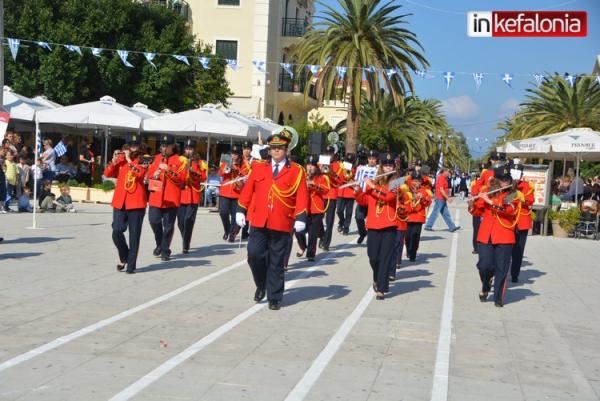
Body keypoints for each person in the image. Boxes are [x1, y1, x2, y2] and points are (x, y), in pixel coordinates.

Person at [235, 128, 308, 310]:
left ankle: (274, 296)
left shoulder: (297, 171)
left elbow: (301, 196)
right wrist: (240, 210)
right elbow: (248, 189)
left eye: (280, 147)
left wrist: (301, 217)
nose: (276, 150)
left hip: (282, 221)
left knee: (276, 261)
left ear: (287, 149)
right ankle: (261, 284)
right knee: (254, 255)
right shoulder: (259, 167)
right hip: (259, 220)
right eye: (273, 147)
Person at [475, 166, 521, 307]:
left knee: (502, 268)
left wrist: (490, 202)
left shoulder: (513, 194)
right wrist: (475, 201)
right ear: (496, 180)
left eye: (507, 179)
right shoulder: (487, 191)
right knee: (484, 266)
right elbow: (476, 211)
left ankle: (498, 298)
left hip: (504, 235)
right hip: (486, 234)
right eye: (502, 179)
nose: (505, 182)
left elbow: (508, 210)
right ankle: (486, 284)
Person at [354, 152, 398, 300]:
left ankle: (382, 288)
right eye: (385, 165)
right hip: (373, 224)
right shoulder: (375, 181)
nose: (387, 168)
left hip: (389, 224)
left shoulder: (397, 182)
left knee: (385, 257)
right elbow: (364, 201)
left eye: (390, 165)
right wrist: (358, 191)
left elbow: (388, 197)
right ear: (381, 166)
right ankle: (377, 277)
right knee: (373, 257)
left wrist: (372, 187)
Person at [103, 134, 147, 273]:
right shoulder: (121, 158)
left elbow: (139, 174)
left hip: (136, 202)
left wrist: (129, 160)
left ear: (140, 145)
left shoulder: (143, 159)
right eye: (130, 144)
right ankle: (125, 256)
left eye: (136, 144)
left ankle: (131, 265)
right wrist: (114, 161)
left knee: (134, 235)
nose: (133, 147)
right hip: (120, 201)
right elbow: (108, 174)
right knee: (116, 231)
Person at [147, 134, 187, 261]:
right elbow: (148, 177)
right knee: (153, 221)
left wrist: (168, 169)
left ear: (172, 146)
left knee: (168, 226)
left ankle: (165, 250)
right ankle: (160, 243)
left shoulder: (180, 160)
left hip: (171, 198)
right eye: (162, 146)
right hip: (156, 196)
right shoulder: (156, 158)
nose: (163, 148)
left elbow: (182, 179)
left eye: (166, 146)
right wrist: (154, 174)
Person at [295, 154, 328, 262]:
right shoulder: (301, 175)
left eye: (312, 165)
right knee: (299, 231)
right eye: (308, 165)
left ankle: (311, 253)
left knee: (313, 233)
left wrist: (315, 185)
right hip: (303, 208)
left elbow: (326, 190)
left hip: (316, 208)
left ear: (316, 167)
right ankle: (303, 245)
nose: (310, 167)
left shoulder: (322, 177)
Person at [177, 139, 207, 254]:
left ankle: (186, 244)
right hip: (181, 195)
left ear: (194, 150)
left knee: (188, 220)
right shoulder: (180, 160)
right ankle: (186, 238)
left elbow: (203, 177)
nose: (188, 151)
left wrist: (193, 172)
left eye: (190, 149)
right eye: (187, 149)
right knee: (180, 222)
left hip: (193, 195)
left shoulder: (199, 163)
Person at [219, 145, 250, 242]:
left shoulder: (244, 164)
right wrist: (227, 167)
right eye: (232, 153)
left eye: (236, 154)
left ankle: (232, 235)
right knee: (223, 213)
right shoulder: (226, 161)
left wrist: (236, 169)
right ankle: (227, 230)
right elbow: (220, 173)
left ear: (240, 155)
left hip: (237, 193)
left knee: (234, 215)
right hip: (225, 192)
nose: (233, 156)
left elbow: (245, 176)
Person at [510, 161, 534, 283]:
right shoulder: (505, 184)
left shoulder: (527, 186)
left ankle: (515, 273)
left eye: (517, 174)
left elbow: (531, 201)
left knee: (518, 250)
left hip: (522, 221)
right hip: (508, 220)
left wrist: (522, 198)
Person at [318, 146, 344, 251]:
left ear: (334, 154)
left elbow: (340, 182)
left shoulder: (338, 166)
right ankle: (322, 235)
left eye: (330, 154)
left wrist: (331, 173)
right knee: (317, 219)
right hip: (320, 194)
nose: (329, 156)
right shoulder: (319, 163)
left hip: (331, 195)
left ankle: (326, 243)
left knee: (329, 221)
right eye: (326, 153)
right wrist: (319, 170)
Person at [405, 171, 432, 262]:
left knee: (415, 236)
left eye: (418, 181)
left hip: (418, 217)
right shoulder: (407, 190)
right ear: (411, 181)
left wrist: (422, 198)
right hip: (408, 216)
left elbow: (428, 202)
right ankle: (409, 250)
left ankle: (413, 254)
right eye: (415, 180)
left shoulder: (424, 191)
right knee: (407, 236)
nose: (416, 183)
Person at [424, 168, 459, 232]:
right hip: (440, 198)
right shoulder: (441, 178)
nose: (449, 173)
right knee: (435, 212)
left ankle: (452, 227)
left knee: (446, 214)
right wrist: (448, 198)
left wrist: (446, 197)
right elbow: (441, 189)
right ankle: (428, 226)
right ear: (444, 172)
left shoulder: (444, 178)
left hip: (442, 198)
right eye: (448, 172)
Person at [354, 149, 378, 244]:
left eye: (373, 159)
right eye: (370, 158)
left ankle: (371, 237)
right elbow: (356, 180)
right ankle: (363, 233)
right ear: (367, 159)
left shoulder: (379, 170)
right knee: (359, 217)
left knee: (371, 219)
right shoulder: (360, 168)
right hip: (362, 196)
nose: (371, 160)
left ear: (376, 160)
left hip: (372, 197)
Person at [337, 152, 357, 235]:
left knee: (348, 212)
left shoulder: (355, 169)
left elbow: (355, 179)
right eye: (347, 161)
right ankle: (341, 221)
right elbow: (339, 178)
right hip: (342, 191)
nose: (348, 162)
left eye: (350, 161)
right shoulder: (341, 167)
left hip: (350, 192)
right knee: (339, 211)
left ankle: (346, 227)